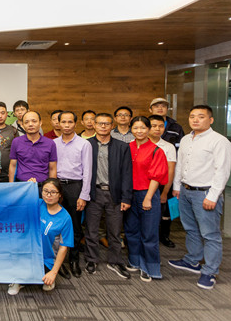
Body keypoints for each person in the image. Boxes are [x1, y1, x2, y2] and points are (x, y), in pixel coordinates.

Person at [169, 105, 231, 290]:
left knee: (210, 234)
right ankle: (193, 260)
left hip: (205, 193)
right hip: (185, 191)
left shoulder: (219, 141)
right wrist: (177, 187)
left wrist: (213, 196)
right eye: (192, 116)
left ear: (210, 120)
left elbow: (222, 171)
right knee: (190, 229)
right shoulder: (186, 139)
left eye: (201, 116)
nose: (195, 120)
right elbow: (180, 165)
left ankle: (210, 271)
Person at [83, 113, 133, 279]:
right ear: (94, 125)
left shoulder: (122, 146)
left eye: (106, 124)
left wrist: (126, 197)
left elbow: (127, 174)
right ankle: (91, 259)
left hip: (115, 194)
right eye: (100, 123)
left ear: (112, 126)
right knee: (91, 230)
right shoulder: (87, 145)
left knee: (115, 231)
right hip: (94, 193)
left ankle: (115, 261)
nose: (103, 126)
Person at [8, 178, 74, 295]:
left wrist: (54, 272)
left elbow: (63, 248)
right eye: (45, 191)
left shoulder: (65, 218)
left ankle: (45, 276)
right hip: (27, 253)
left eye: (53, 192)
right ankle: (19, 279)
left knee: (41, 279)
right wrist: (28, 187)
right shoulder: (37, 204)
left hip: (46, 260)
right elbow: (16, 202)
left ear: (60, 194)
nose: (48, 195)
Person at [125, 116, 168, 282]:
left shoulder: (156, 150)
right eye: (135, 128)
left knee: (149, 233)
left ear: (149, 129)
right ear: (131, 129)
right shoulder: (127, 147)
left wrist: (148, 198)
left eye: (143, 128)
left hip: (147, 193)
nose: (139, 131)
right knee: (131, 230)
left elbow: (156, 177)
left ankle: (150, 267)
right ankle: (134, 261)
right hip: (130, 194)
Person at [53, 111, 92, 278]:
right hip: (57, 186)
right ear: (58, 123)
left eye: (70, 122)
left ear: (75, 124)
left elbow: (88, 171)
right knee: (55, 225)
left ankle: (74, 260)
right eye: (64, 122)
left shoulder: (84, 144)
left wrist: (84, 195)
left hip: (75, 186)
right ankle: (57, 262)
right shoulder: (53, 143)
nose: (67, 125)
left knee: (75, 226)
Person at [148, 115, 177, 248]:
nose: (157, 129)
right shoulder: (135, 143)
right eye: (153, 126)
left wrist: (165, 192)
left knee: (159, 216)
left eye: (161, 126)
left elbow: (170, 171)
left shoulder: (168, 146)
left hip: (160, 186)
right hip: (140, 185)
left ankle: (161, 238)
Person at [9, 111, 57, 188]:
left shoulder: (50, 143)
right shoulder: (16, 142)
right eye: (26, 122)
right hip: (22, 185)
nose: (30, 124)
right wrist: (11, 186)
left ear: (40, 123)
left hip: (43, 186)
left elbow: (52, 168)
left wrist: (51, 187)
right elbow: (13, 165)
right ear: (23, 125)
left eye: (34, 121)